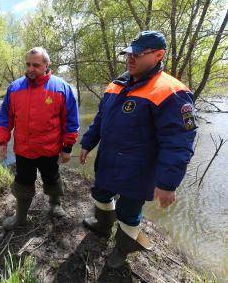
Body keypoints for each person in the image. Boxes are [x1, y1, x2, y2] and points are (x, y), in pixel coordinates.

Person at [79, 31, 197, 268]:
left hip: (139, 170)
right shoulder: (116, 84)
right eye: (128, 54)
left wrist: (167, 183)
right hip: (108, 160)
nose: (130, 59)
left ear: (159, 55)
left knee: (129, 211)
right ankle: (103, 226)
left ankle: (122, 249)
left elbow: (178, 141)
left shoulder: (172, 92)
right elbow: (101, 119)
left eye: (138, 55)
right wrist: (87, 143)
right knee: (101, 194)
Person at [0, 47, 80, 230]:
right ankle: (20, 217)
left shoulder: (61, 88)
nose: (31, 69)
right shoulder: (15, 88)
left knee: (52, 178)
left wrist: (67, 148)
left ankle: (55, 204)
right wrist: (3, 141)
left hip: (49, 149)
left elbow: (71, 121)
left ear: (47, 65)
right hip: (24, 150)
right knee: (22, 182)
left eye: (36, 65)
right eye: (28, 64)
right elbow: (5, 117)